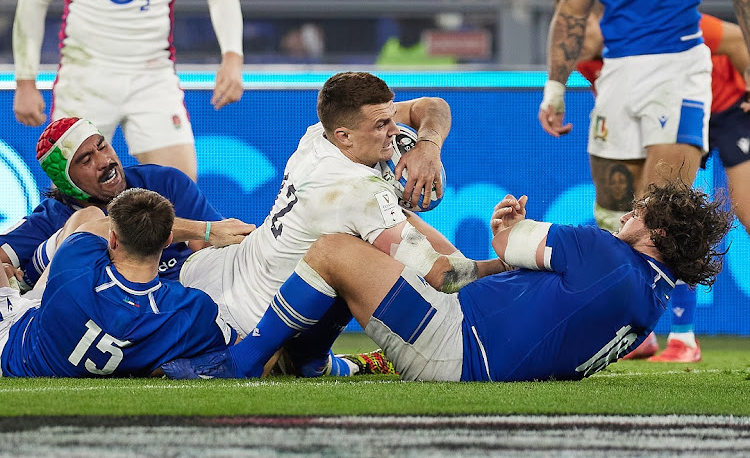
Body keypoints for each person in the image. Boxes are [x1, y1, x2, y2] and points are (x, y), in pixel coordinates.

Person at [162, 178, 732, 381]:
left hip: (455, 344)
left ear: (656, 234)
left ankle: (239, 365)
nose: (629, 212)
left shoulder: (602, 252)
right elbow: (503, 270)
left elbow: (508, 247)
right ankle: (310, 363)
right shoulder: (652, 296)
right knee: (403, 227)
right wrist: (498, 247)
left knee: (336, 246)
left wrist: (504, 232)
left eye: (642, 211)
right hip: (479, 337)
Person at [172, 71, 462, 377]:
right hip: (247, 325)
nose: (394, 130)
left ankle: (320, 362)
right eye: (381, 125)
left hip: (217, 272)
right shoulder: (360, 191)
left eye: (392, 117)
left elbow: (432, 106)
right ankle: (298, 359)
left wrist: (428, 146)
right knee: (364, 258)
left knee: (364, 238)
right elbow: (441, 277)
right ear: (344, 136)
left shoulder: (319, 135)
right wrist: (504, 263)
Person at [577, 12, 750, 362]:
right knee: (650, 217)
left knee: (742, 212)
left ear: (600, 13)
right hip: (669, 118)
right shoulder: (583, 57)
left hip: (726, 106)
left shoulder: (652, 13)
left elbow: (735, 38)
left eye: (579, 25)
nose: (572, 38)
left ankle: (682, 339)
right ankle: (652, 336)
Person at [11, 0, 245, 181]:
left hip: (152, 75)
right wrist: (25, 81)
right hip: (84, 79)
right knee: (76, 202)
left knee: (179, 190)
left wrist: (233, 57)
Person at [0, 188, 239, 377]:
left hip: (15, 344)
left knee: (89, 214)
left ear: (112, 239)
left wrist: (206, 230)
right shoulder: (189, 309)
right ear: (167, 241)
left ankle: (22, 278)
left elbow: (95, 224)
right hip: (64, 330)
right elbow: (238, 351)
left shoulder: (75, 261)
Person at [0, 117, 250, 293]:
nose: (105, 161)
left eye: (102, 146)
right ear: (66, 181)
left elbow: (209, 244)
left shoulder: (165, 181)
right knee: (89, 219)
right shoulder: (51, 219)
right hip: (109, 318)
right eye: (87, 160)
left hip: (180, 297)